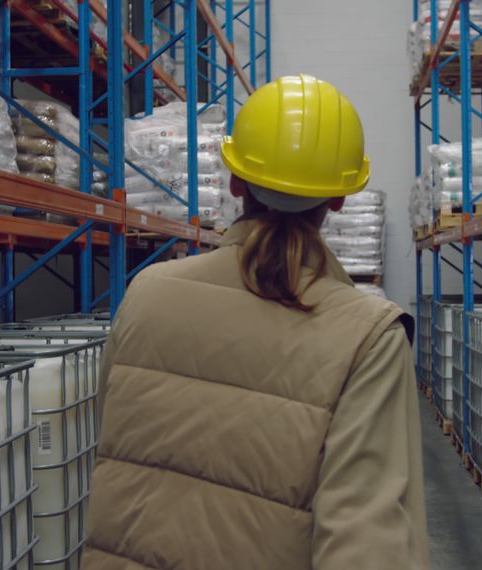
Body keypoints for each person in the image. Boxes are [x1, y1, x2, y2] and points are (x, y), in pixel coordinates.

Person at [82, 74, 430, 569]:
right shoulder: (368, 337)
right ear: (339, 198)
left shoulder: (146, 293)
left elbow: (115, 446)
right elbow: (367, 539)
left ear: (234, 180)